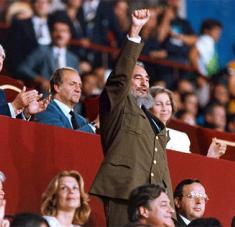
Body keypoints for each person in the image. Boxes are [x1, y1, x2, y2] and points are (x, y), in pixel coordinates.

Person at [90, 9, 174, 227]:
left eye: (146, 79)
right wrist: (135, 31)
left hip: (155, 203)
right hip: (125, 194)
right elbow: (119, 78)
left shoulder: (152, 119)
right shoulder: (118, 104)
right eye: (137, 78)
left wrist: (169, 208)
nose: (144, 83)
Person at [149, 86, 227, 158]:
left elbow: (189, 168)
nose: (165, 108)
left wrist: (210, 157)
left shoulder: (181, 138)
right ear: (148, 108)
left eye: (168, 104)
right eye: (158, 104)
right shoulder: (141, 134)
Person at [17, 18, 79, 92]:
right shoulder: (42, 51)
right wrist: (40, 80)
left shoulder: (73, 58)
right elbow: (23, 68)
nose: (60, 34)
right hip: (45, 96)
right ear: (51, 33)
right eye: (56, 30)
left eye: (64, 31)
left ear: (69, 35)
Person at [34, 67, 97, 133]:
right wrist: (94, 125)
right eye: (72, 84)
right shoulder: (45, 109)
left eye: (80, 86)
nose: (78, 90)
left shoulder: (82, 121)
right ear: (57, 87)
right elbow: (62, 139)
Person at [0, 44, 49, 118]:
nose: (0, 60)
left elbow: (6, 124)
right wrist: (14, 106)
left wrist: (26, 113)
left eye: (2, 57)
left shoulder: (1, 92)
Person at [6, 0, 52, 75]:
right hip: (26, 72)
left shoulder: (55, 24)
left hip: (50, 72)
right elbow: (14, 52)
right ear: (32, 4)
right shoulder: (20, 24)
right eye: (38, 2)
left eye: (44, 2)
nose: (41, 5)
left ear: (50, 4)